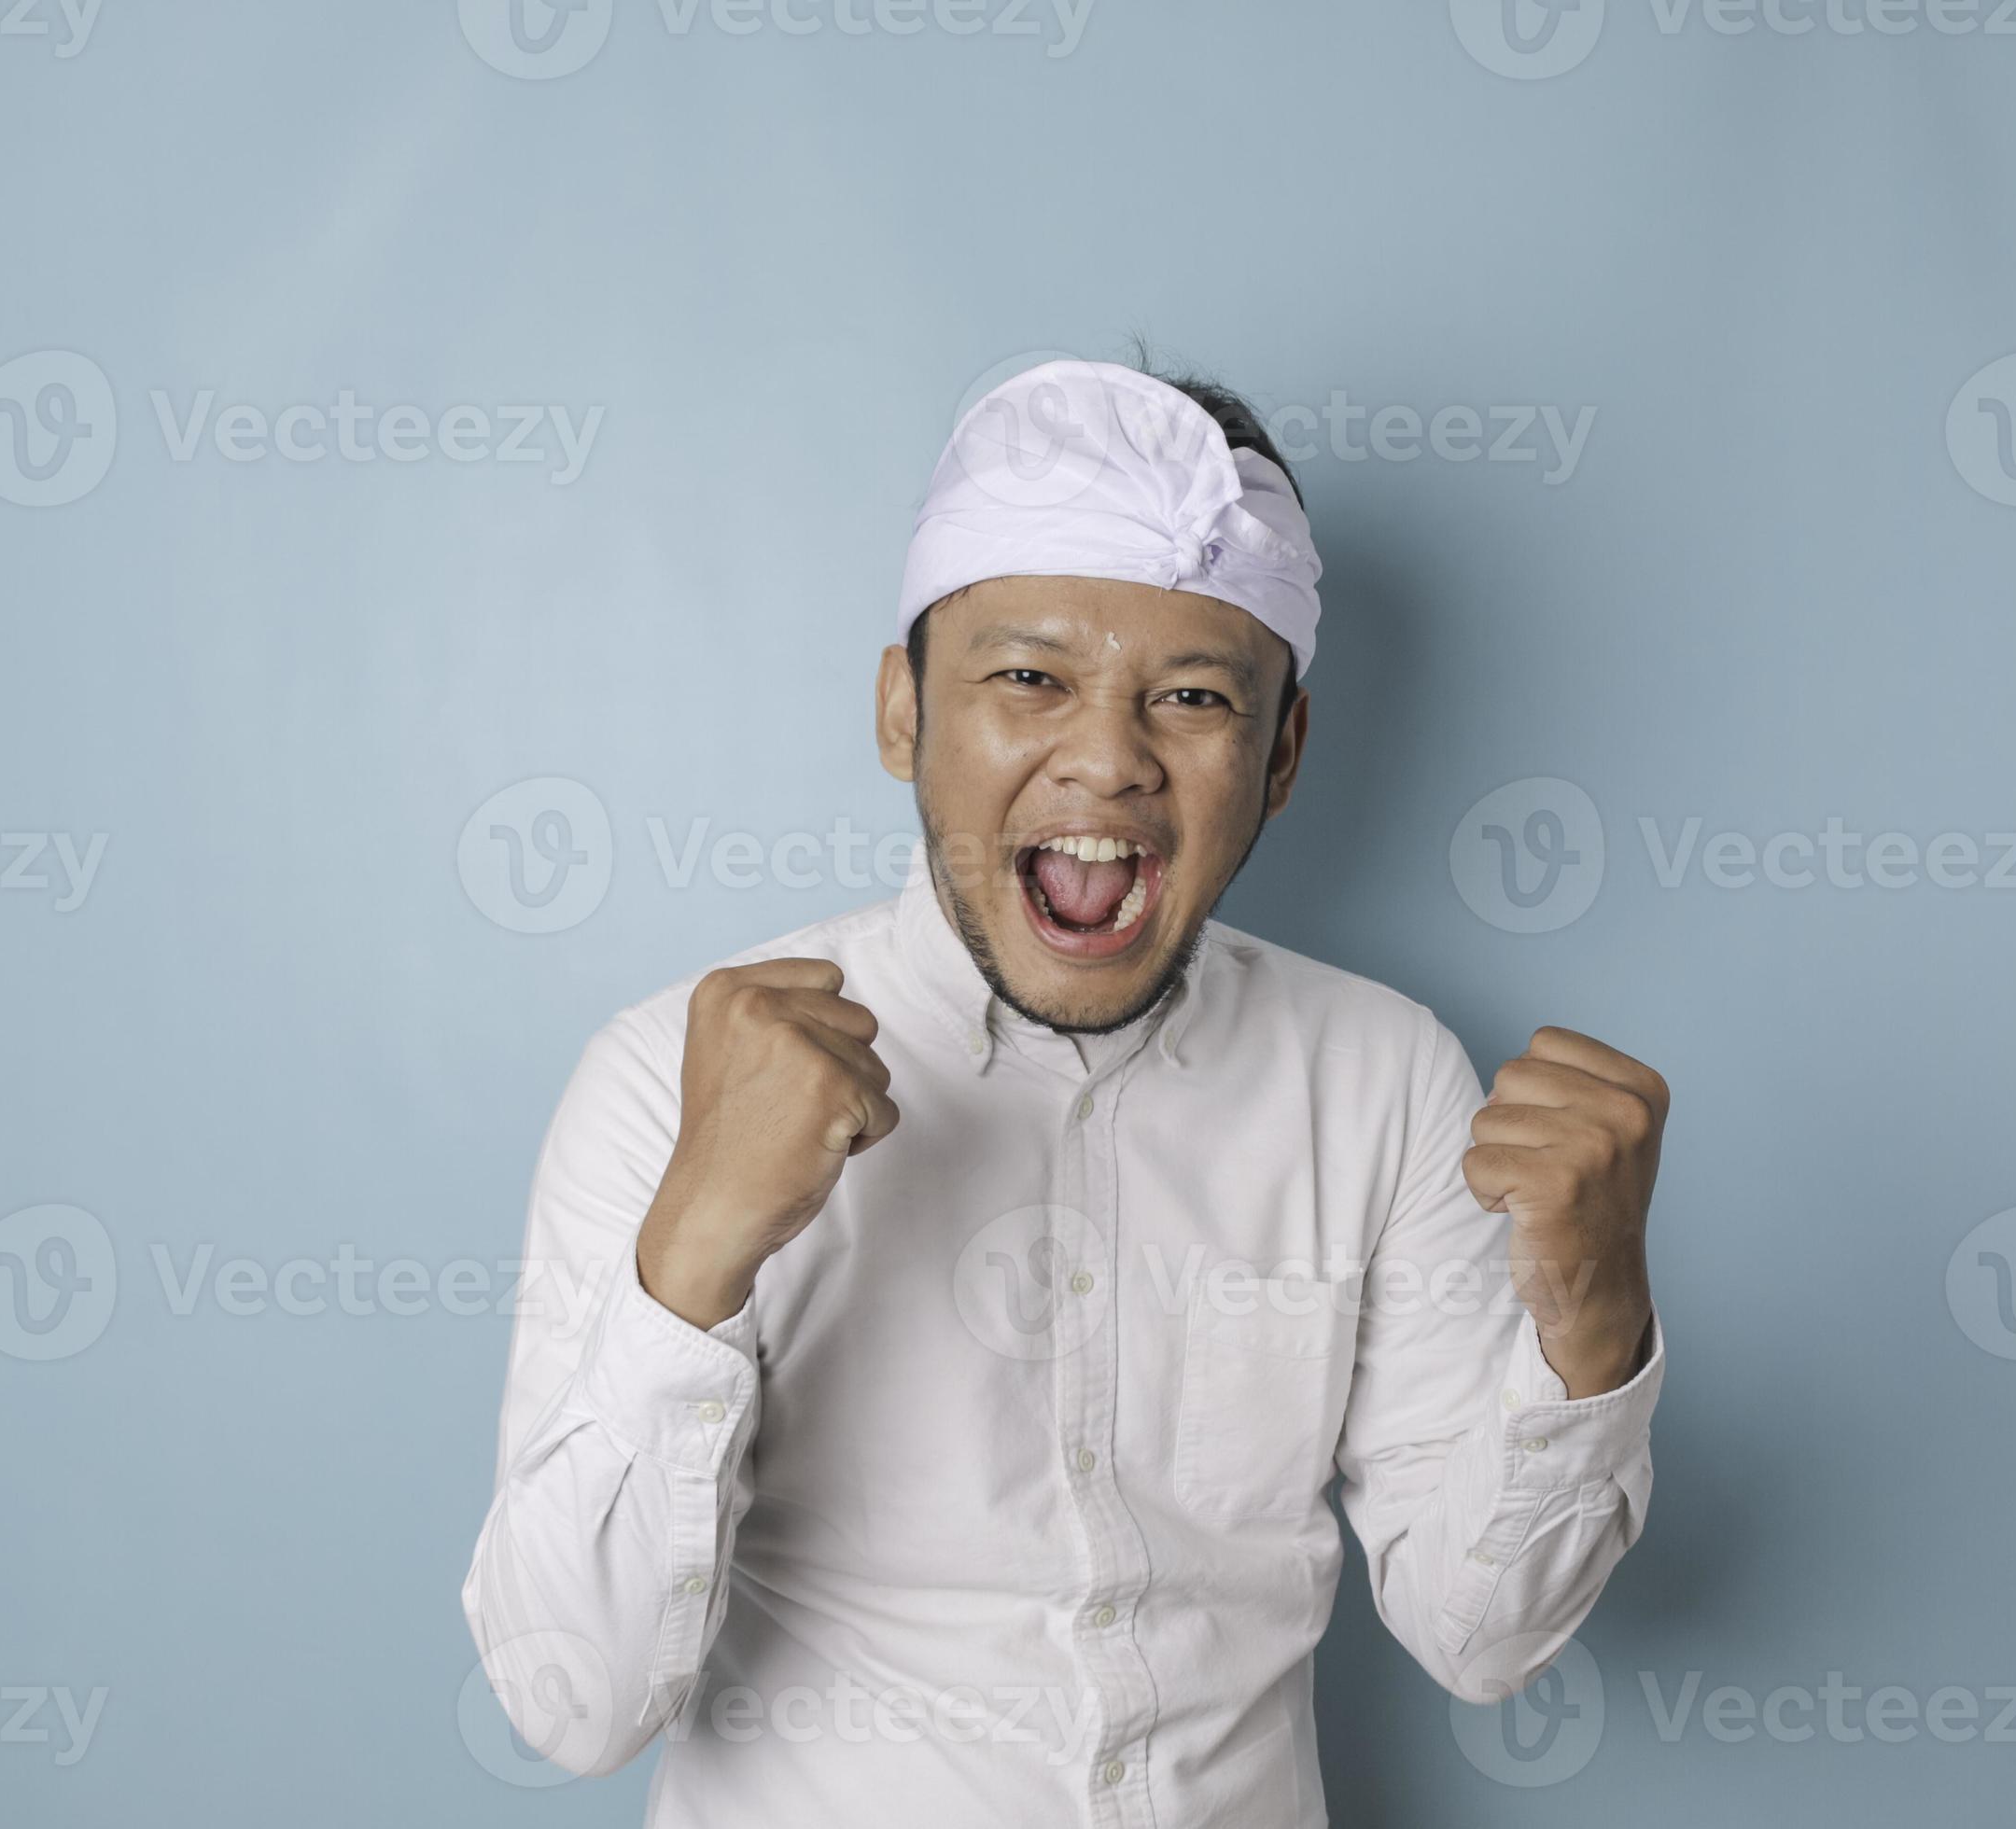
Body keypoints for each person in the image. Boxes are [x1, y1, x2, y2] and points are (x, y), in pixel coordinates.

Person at [462, 356, 1672, 1827]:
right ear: (903, 711)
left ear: (1282, 755)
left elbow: (1482, 1638)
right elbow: (572, 1706)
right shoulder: (667, 1078)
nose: (1107, 761)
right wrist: (700, 1246)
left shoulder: (1383, 1076)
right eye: (1029, 679)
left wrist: (1593, 1326)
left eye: (1193, 697)